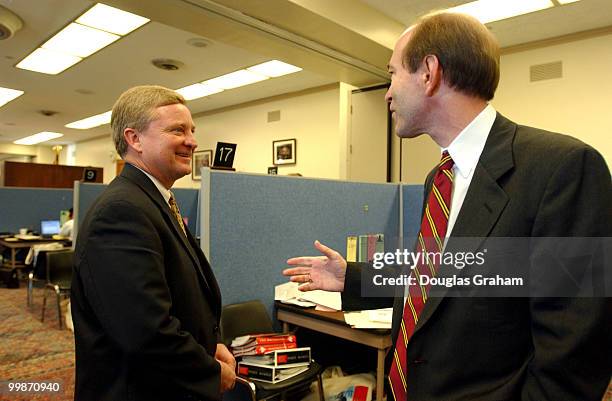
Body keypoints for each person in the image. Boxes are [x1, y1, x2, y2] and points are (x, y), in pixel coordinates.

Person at [284, 12, 611, 401]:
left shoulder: (563, 169)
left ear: (429, 72)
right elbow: (440, 286)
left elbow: (573, 362)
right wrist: (353, 278)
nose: (387, 93)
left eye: (392, 74)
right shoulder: (439, 180)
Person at [71, 85, 236, 401]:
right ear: (134, 139)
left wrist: (209, 345)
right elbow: (145, 331)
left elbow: (176, 297)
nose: (192, 140)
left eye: (191, 130)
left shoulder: (154, 201)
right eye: (177, 130)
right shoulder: (122, 212)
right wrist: (208, 372)